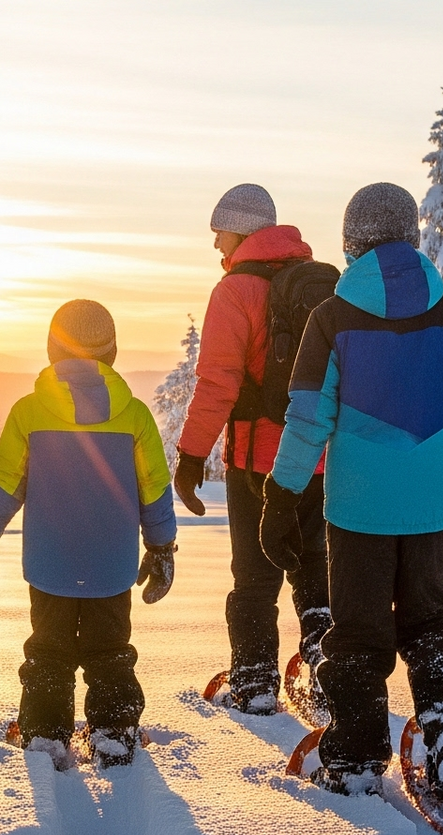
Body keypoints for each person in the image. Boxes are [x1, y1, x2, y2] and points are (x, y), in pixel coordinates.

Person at [260, 182, 443, 798]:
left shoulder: (331, 318)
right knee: (431, 622)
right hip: (433, 510)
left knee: (359, 633)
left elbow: (307, 420)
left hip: (357, 512)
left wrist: (280, 496)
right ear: (411, 238)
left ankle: (353, 754)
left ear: (351, 245)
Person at [0, 300, 177, 769]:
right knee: (110, 653)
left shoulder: (29, 413)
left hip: (50, 565)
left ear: (50, 348)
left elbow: (5, 482)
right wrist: (161, 547)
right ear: (113, 352)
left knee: (48, 652)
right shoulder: (136, 417)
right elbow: (155, 491)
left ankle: (44, 736)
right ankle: (115, 733)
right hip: (110, 566)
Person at [172, 183, 333, 715]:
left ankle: (256, 681)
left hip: (256, 462)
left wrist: (192, 456)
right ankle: (328, 670)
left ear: (240, 228)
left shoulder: (235, 291)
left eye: (219, 230)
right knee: (315, 568)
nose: (216, 243)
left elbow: (217, 382)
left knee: (255, 575)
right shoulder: (321, 285)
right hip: (320, 459)